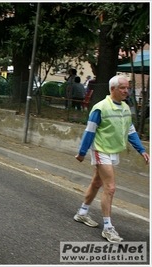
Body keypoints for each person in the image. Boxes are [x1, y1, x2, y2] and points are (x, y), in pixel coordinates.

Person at [73, 75, 149, 243]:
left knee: (97, 183)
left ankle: (82, 213)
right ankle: (108, 228)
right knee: (110, 187)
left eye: (127, 88)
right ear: (112, 89)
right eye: (122, 88)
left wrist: (141, 149)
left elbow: (130, 131)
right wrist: (82, 152)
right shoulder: (101, 108)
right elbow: (90, 131)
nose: (126, 91)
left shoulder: (125, 108)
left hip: (114, 151)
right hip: (101, 150)